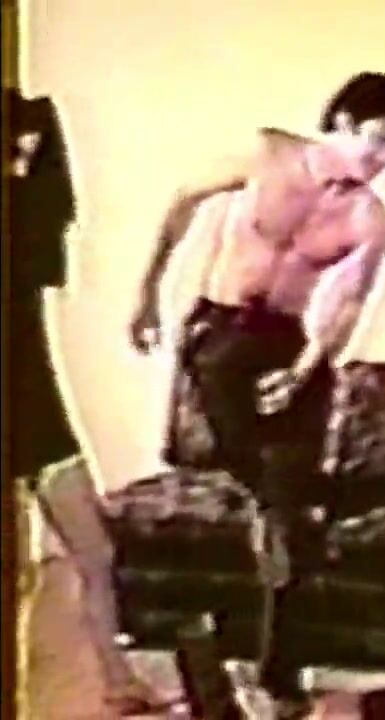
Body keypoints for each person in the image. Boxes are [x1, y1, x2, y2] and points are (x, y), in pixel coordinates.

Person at [128, 71, 385, 718]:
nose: (382, 157)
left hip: (288, 344)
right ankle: (231, 623)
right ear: (340, 125)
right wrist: (146, 293)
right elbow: (181, 199)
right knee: (265, 490)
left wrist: (306, 369)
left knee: (292, 508)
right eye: (376, 138)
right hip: (220, 333)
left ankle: (279, 670)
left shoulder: (370, 217)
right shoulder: (267, 154)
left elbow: (348, 303)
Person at [7, 88, 168, 716]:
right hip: (29, 409)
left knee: (96, 552)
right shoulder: (26, 211)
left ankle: (118, 682)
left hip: (37, 413)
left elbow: (54, 186)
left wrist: (34, 131)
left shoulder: (27, 214)